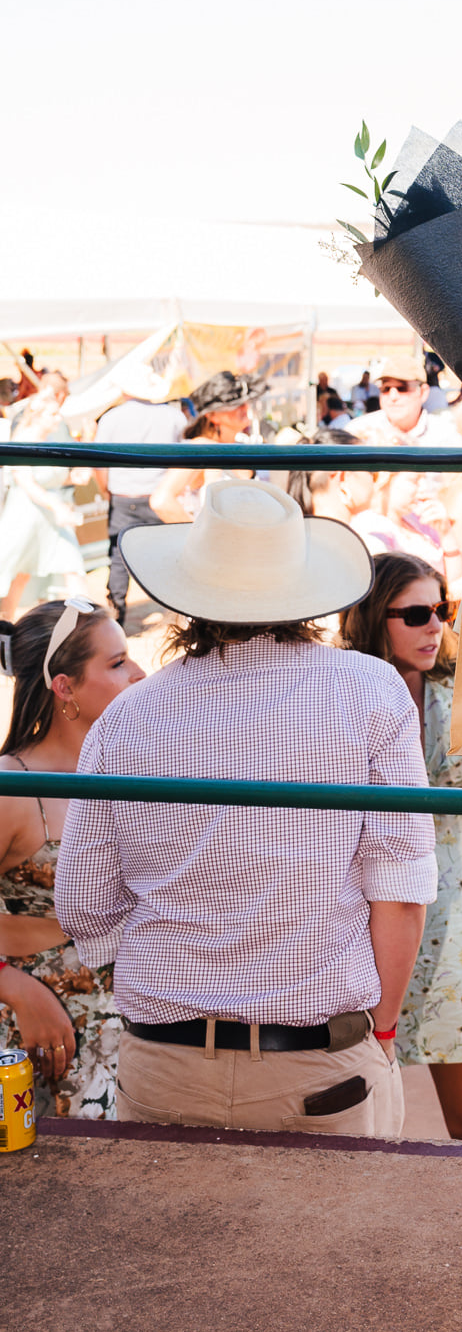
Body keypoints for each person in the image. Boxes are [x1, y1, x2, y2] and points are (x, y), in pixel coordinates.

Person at [55, 480, 436, 1136]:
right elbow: (399, 891)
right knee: (330, 1240)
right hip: (319, 1063)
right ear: (302, 586)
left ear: (191, 588)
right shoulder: (370, 692)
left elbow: (84, 900)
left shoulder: (127, 719)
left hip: (164, 1058)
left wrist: (183, 962)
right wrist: (384, 1026)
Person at [340, 553, 462, 1139]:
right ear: (370, 618)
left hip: (457, 912)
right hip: (363, 913)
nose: (434, 625)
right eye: (414, 613)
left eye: (442, 609)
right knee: (356, 1113)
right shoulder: (340, 701)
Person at [0, 598, 146, 1115]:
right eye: (116, 663)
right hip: (35, 1037)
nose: (138, 673)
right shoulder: (13, 787)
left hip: (129, 1027)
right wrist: (16, 988)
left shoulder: (133, 775)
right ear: (64, 686)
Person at [350, 351, 462, 598]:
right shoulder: (358, 434)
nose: (393, 396)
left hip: (443, 538)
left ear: (423, 392)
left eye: (402, 388)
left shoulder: (449, 437)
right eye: (386, 389)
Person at [92, 364, 188, 626]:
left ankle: (115, 614)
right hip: (160, 495)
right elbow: (184, 459)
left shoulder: (111, 418)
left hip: (124, 496)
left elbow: (99, 462)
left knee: (118, 556)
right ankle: (179, 613)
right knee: (168, 554)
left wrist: (107, 490)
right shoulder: (173, 416)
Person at [0, 373, 86, 618]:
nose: (58, 418)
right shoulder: (22, 441)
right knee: (16, 572)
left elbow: (53, 478)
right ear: (37, 416)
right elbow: (26, 482)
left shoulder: (49, 441)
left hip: (52, 516)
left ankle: (88, 625)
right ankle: (4, 625)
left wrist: (73, 478)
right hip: (26, 515)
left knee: (73, 567)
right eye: (52, 414)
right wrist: (56, 505)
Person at [150, 370, 264, 523]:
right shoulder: (201, 447)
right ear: (212, 415)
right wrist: (199, 535)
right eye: (234, 404)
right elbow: (161, 501)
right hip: (219, 544)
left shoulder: (239, 445)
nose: (244, 408)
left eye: (245, 402)